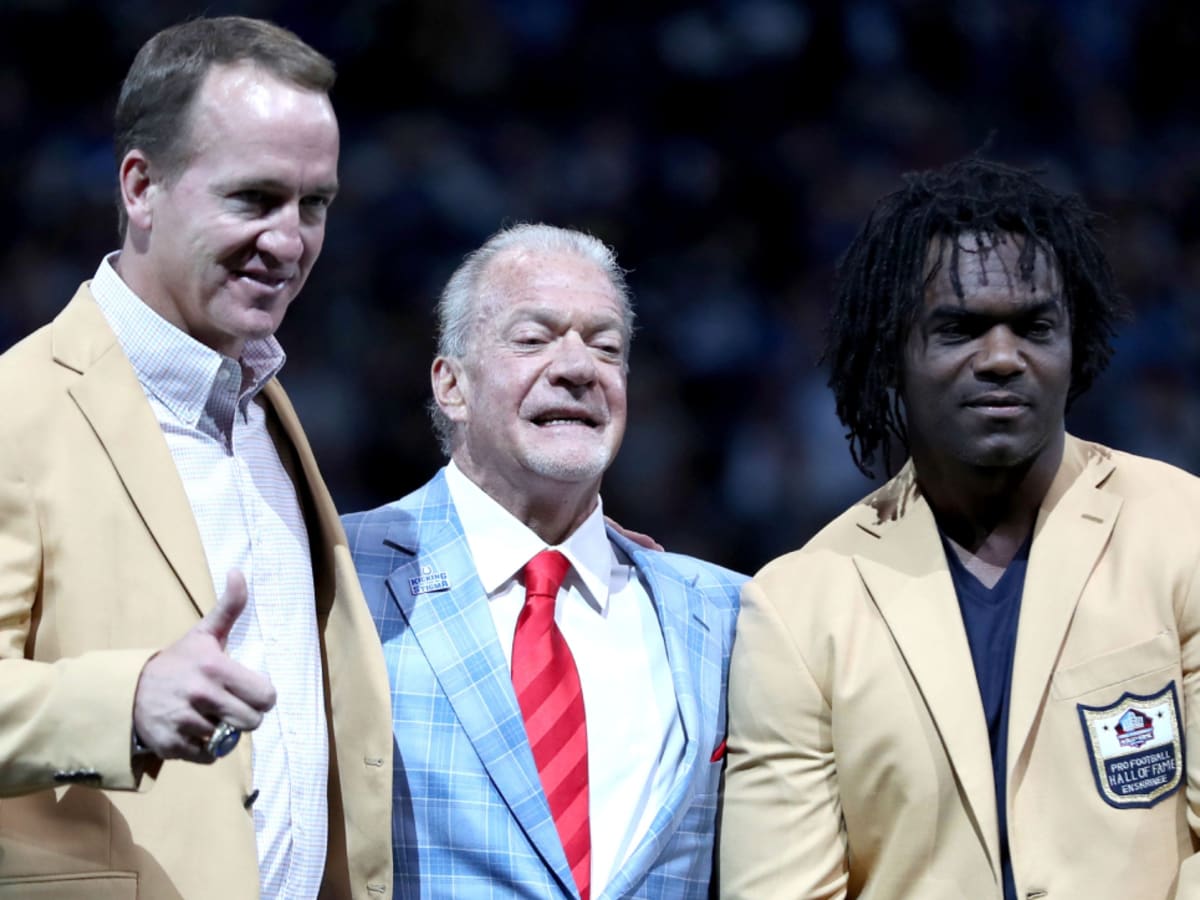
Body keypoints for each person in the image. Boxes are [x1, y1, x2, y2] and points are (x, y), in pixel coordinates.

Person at [719, 156, 1200, 900]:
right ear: (891, 357)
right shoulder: (799, 605)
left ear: (1076, 347)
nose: (1003, 358)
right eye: (959, 330)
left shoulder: (1182, 529)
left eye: (1035, 325)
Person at [0, 16, 391, 900]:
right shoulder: (15, 411)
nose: (290, 242)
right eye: (254, 198)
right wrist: (126, 702)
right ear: (141, 186)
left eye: (314, 203)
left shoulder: (263, 410)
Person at [343, 222, 745, 899]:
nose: (577, 367)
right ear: (452, 386)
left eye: (606, 346)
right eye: (532, 339)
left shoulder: (729, 613)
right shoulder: (333, 575)